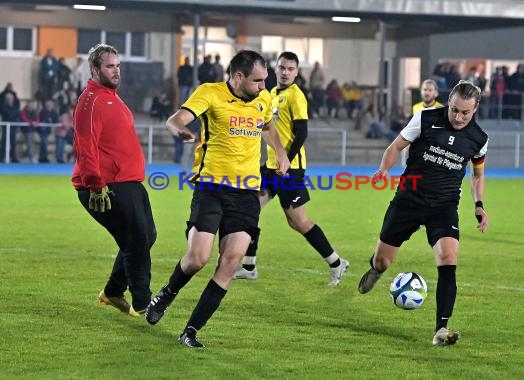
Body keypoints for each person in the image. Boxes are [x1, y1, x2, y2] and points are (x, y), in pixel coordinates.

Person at [145, 50, 290, 349]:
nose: (264, 87)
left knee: (232, 260)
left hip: (247, 192)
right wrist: (180, 129)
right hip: (211, 188)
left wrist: (281, 152)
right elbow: (176, 118)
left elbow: (267, 126)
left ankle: (191, 330)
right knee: (197, 258)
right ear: (238, 77)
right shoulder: (209, 93)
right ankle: (167, 293)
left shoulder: (263, 100)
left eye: (266, 80)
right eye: (258, 80)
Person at [357, 80, 489, 347]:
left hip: (444, 205)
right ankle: (376, 267)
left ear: (475, 110)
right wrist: (383, 170)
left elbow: (477, 175)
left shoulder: (479, 139)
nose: (458, 117)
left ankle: (441, 328)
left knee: (448, 257)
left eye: (465, 112)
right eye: (454, 110)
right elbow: (395, 146)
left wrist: (479, 205)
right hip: (409, 198)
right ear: (448, 102)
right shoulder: (426, 118)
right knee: (383, 261)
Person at [233, 51, 349, 285]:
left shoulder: (297, 96)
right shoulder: (271, 94)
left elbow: (302, 132)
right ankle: (248, 266)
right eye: (282, 68)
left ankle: (337, 262)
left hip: (291, 170)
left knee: (298, 221)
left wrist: (286, 159)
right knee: (250, 209)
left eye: (290, 69)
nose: (285, 72)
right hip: (271, 168)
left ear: (296, 72)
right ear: (275, 69)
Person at [72, 43, 156, 317]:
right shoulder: (90, 101)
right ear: (95, 69)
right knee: (135, 242)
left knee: (147, 236)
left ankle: (112, 290)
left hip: (129, 182)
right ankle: (145, 303)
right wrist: (96, 186)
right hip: (107, 186)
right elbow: (85, 147)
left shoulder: (111, 97)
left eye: (118, 65)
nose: (116, 70)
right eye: (110, 66)